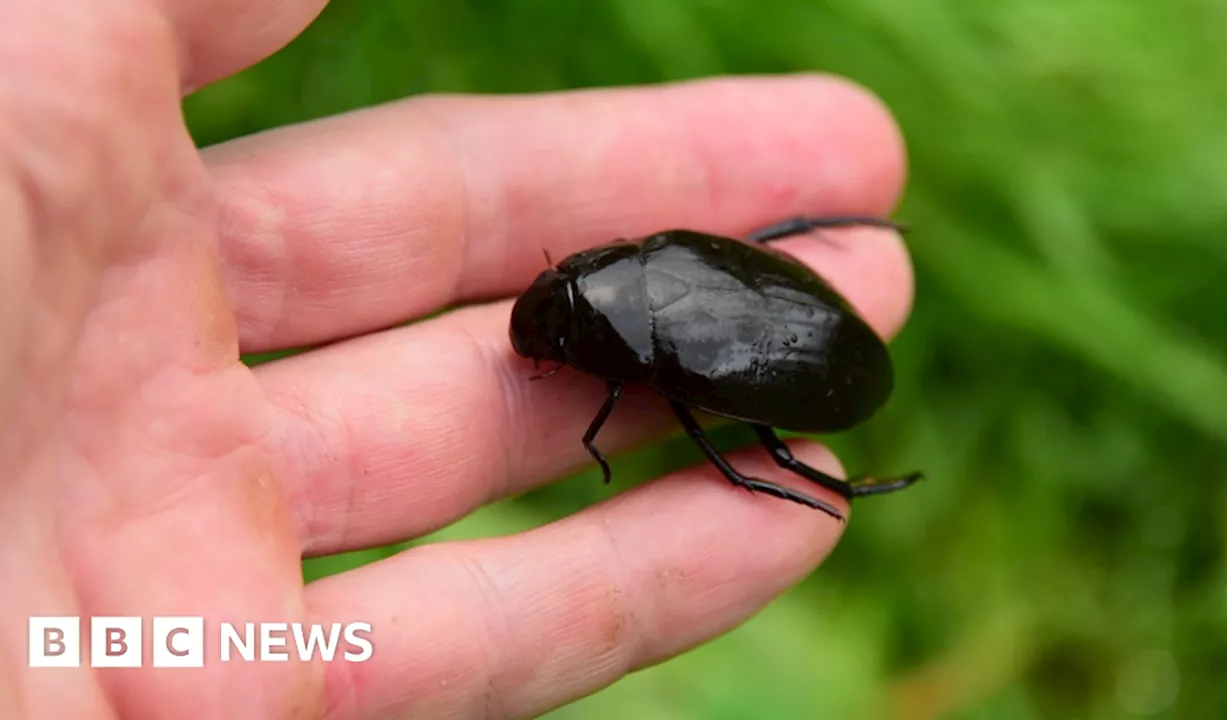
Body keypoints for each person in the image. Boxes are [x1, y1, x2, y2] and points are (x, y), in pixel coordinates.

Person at [1, 2, 914, 718]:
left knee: (749, 461)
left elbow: (658, 383)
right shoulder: (656, 277)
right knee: (748, 461)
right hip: (792, 327)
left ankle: (840, 487)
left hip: (817, 349)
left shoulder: (659, 338)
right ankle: (842, 485)